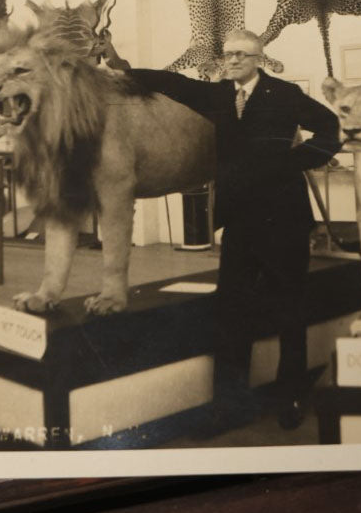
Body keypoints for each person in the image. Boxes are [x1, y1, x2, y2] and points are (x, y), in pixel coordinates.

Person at [131, 29, 341, 431]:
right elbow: (174, 84)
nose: (232, 61)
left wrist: (294, 162)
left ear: (258, 59)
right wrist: (125, 71)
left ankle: (290, 397)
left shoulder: (285, 94)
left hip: (284, 219)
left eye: (241, 55)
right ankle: (228, 404)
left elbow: (330, 127)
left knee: (290, 309)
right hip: (241, 221)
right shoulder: (220, 95)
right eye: (227, 55)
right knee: (231, 312)